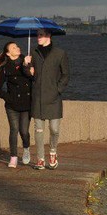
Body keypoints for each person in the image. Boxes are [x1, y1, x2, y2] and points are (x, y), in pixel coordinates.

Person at [24, 28, 70, 170]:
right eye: (37, 35)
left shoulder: (60, 53)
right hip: (37, 97)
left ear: (48, 36)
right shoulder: (33, 53)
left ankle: (53, 153)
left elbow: (66, 74)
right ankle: (40, 159)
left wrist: (58, 89)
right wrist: (26, 66)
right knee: (38, 130)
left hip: (54, 97)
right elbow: (29, 74)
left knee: (54, 129)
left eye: (41, 35)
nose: (38, 37)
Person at [0, 41, 33, 168]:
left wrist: (28, 67)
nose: (18, 48)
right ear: (8, 53)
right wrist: (9, 98)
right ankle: (13, 157)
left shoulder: (28, 61)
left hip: (26, 103)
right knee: (14, 130)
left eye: (18, 46)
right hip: (12, 105)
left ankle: (26, 149)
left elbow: (34, 80)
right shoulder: (5, 68)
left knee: (24, 131)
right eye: (14, 47)